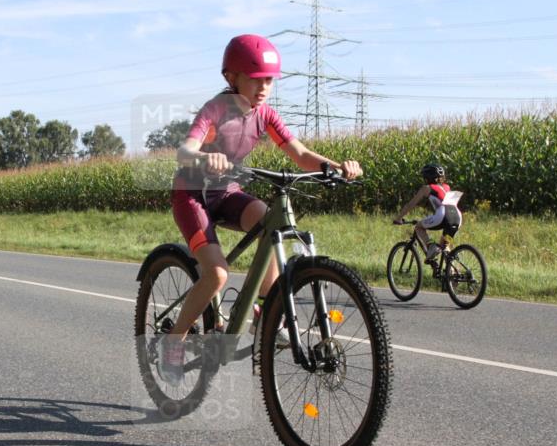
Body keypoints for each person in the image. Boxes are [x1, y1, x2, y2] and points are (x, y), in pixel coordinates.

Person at [158, 33, 362, 385]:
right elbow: (184, 151)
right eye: (256, 79)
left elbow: (299, 154)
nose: (264, 87)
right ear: (231, 78)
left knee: (270, 222)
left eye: (269, 79)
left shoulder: (265, 114)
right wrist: (206, 155)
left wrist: (335, 167)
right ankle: (174, 342)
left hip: (226, 192)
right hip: (192, 195)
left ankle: (266, 313)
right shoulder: (216, 110)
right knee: (217, 274)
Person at [393, 164, 462, 265]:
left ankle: (430, 246)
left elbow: (411, 205)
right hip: (457, 218)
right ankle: (452, 276)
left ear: (427, 178)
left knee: (418, 227)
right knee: (445, 246)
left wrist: (399, 218)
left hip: (443, 216)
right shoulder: (447, 187)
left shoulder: (427, 188)